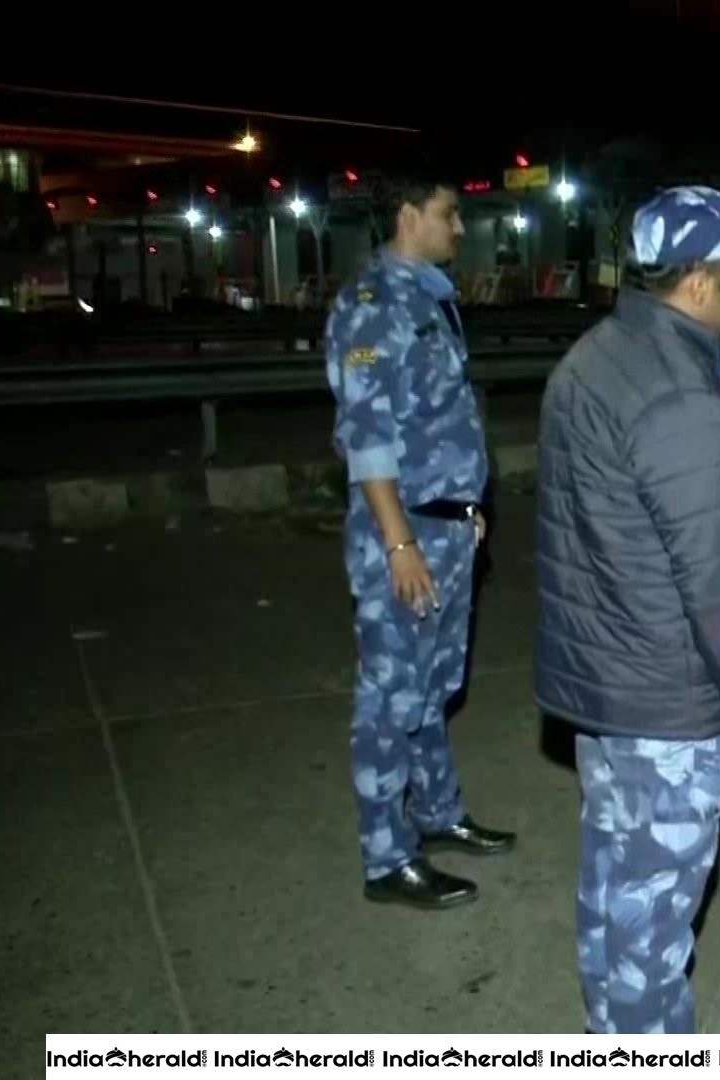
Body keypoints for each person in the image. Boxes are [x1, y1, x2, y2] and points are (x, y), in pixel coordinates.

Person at [533, 185, 720, 1034]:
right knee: (653, 925)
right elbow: (715, 588)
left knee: (616, 891)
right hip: (663, 702)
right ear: (697, 281)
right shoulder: (682, 399)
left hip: (602, 685)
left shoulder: (597, 354)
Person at [325, 175, 515, 912]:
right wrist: (401, 544)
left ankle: (436, 813)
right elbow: (366, 440)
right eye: (449, 213)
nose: (460, 227)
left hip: (445, 525)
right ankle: (386, 856)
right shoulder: (372, 306)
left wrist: (467, 510)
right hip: (401, 538)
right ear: (409, 216)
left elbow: (435, 420)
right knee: (388, 696)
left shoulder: (427, 298)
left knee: (432, 688)